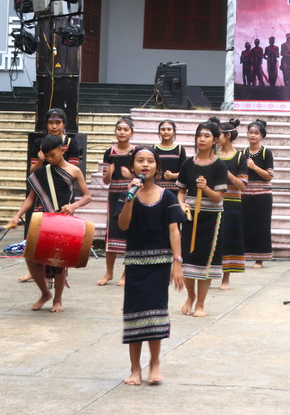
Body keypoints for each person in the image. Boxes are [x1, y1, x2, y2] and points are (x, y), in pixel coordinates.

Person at [115, 145, 185, 385]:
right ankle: (135, 369)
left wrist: (177, 262)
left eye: (150, 161)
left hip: (160, 264)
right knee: (134, 315)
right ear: (133, 167)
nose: (145, 165)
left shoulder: (167, 196)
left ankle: (155, 363)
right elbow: (123, 226)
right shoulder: (127, 194)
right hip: (135, 263)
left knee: (156, 314)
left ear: (157, 167)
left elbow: (174, 231)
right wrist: (129, 198)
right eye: (140, 161)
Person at [5, 134, 91, 312]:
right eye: (47, 156)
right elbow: (31, 199)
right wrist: (17, 215)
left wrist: (74, 205)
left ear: (62, 150)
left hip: (62, 219)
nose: (50, 159)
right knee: (30, 256)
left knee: (59, 262)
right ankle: (45, 293)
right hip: (41, 219)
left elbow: (87, 196)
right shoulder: (41, 172)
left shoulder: (74, 170)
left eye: (53, 155)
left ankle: (57, 300)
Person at [21, 108, 83, 282]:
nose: (54, 126)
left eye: (58, 122)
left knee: (60, 239)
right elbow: (32, 171)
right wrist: (41, 160)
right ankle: (37, 271)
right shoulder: (39, 143)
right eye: (50, 122)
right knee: (39, 237)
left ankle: (58, 273)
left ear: (64, 124)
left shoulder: (71, 143)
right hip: (42, 191)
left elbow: (71, 170)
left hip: (63, 194)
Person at [177, 120, 228, 317]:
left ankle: (200, 303)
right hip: (190, 217)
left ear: (215, 139)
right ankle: (190, 296)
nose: (202, 139)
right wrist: (181, 204)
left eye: (207, 136)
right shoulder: (187, 163)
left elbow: (217, 198)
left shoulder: (219, 166)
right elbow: (181, 191)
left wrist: (205, 188)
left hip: (212, 220)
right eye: (200, 135)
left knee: (206, 261)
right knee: (189, 259)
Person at [98, 116, 135, 287]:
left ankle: (126, 273)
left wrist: (131, 176)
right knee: (111, 234)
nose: (122, 132)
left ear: (131, 132)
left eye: (125, 129)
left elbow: (144, 176)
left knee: (130, 234)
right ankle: (109, 272)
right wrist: (108, 174)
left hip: (131, 196)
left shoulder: (136, 152)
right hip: (113, 196)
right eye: (119, 129)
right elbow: (106, 181)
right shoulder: (109, 152)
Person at [215, 118, 247, 289]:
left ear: (227, 136)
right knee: (212, 238)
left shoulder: (240, 156)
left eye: (218, 135)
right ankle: (208, 273)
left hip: (232, 203)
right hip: (212, 200)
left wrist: (226, 172)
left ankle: (225, 278)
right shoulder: (213, 155)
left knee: (228, 240)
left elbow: (242, 185)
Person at [243, 119, 275, 269]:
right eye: (251, 132)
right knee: (245, 225)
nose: (253, 135)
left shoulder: (266, 152)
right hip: (245, 193)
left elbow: (269, 176)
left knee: (261, 226)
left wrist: (254, 167)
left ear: (262, 135)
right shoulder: (243, 153)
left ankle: (260, 259)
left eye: (256, 133)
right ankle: (244, 254)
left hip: (262, 195)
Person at [155, 119, 187, 194]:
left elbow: (184, 172)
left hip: (175, 191)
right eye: (163, 129)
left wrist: (172, 176)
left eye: (169, 129)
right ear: (159, 132)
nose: (166, 132)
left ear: (174, 131)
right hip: (157, 190)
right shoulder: (154, 149)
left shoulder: (180, 149)